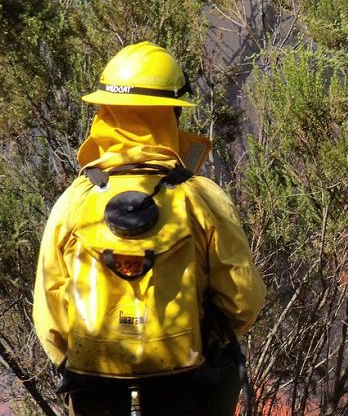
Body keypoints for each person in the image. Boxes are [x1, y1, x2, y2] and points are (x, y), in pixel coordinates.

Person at [32, 41, 266, 415]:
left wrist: (76, 361)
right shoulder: (200, 197)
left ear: (105, 113)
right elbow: (243, 301)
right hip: (186, 384)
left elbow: (49, 310)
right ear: (172, 113)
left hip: (95, 388)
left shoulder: (74, 200)